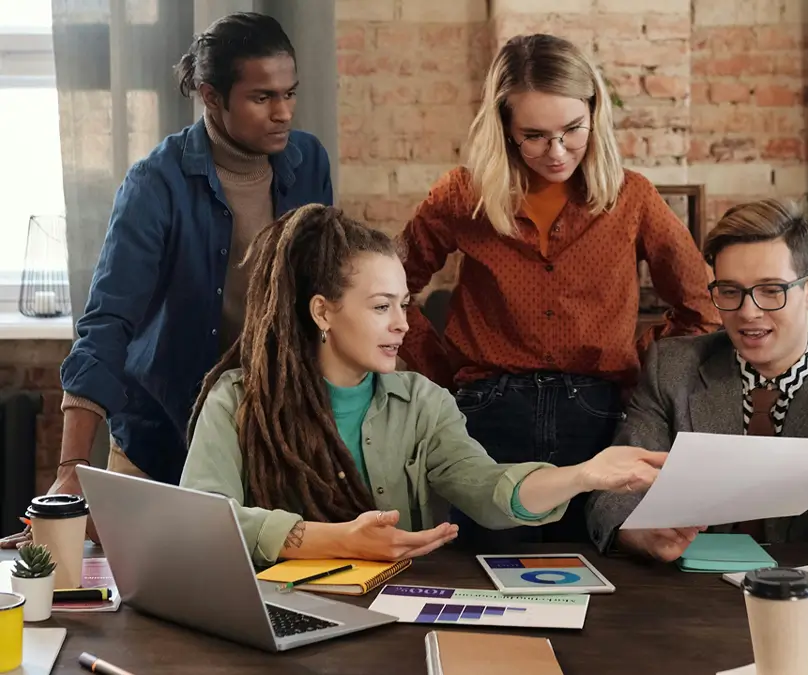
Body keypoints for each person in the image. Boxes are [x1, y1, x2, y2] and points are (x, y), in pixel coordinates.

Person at [0, 13, 334, 552]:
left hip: (269, 442)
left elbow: (322, 296)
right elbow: (107, 323)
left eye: (290, 93)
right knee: (140, 618)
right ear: (211, 96)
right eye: (262, 97)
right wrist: (71, 470)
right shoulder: (156, 182)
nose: (285, 112)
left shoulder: (309, 161)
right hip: (161, 439)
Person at [181, 204, 667, 567]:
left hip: (395, 619)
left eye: (404, 304)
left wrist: (583, 475)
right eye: (380, 306)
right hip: (277, 617)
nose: (403, 325)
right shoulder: (238, 400)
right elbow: (202, 522)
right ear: (322, 310)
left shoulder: (423, 403)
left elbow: (488, 488)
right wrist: (335, 540)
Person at [397, 33, 720, 550]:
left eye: (573, 130)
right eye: (535, 135)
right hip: (485, 415)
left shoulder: (631, 197)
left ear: (595, 112)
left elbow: (702, 307)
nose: (557, 151)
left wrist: (634, 357)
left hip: (594, 414)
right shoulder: (463, 196)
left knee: (596, 573)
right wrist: (440, 372)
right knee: (484, 571)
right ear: (504, 126)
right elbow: (392, 290)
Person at [586, 198, 808, 566]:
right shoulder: (672, 367)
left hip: (806, 598)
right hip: (687, 594)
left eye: (771, 290)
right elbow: (611, 495)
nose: (748, 312)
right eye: (730, 291)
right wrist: (641, 533)